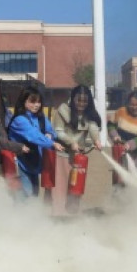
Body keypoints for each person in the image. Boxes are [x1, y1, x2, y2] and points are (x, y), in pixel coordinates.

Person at [52, 85, 103, 213]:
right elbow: (58, 132)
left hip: (79, 158)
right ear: (73, 98)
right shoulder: (63, 111)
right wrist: (71, 142)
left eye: (85, 101)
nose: (81, 104)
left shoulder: (89, 114)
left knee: (76, 186)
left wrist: (96, 140)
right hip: (62, 155)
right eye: (78, 100)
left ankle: (73, 215)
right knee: (61, 186)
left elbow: (93, 128)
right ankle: (58, 214)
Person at [7, 86, 64, 197]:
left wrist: (50, 135)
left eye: (39, 102)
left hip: (34, 163)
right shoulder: (19, 120)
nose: (37, 105)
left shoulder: (41, 117)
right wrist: (51, 143)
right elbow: (33, 136)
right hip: (20, 163)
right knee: (25, 196)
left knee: (34, 195)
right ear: (24, 102)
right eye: (32, 102)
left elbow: (51, 131)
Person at [108, 90, 137, 177]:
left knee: (136, 184)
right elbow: (110, 124)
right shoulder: (121, 112)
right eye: (132, 104)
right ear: (127, 103)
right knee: (119, 183)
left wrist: (129, 145)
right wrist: (115, 136)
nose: (134, 107)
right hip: (120, 157)